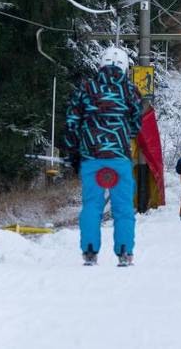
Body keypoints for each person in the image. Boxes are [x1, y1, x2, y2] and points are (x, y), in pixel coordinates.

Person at [63, 45, 143, 266]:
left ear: (100, 64)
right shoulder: (130, 90)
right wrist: (124, 135)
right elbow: (137, 124)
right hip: (119, 158)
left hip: (92, 158)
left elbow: (72, 124)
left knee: (92, 205)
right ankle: (125, 253)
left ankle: (90, 252)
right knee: (123, 207)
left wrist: (73, 154)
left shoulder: (85, 89)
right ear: (125, 67)